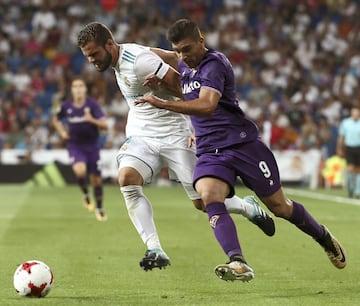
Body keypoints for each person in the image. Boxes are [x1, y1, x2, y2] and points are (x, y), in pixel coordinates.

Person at [136, 19, 347, 281]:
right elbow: (160, 54)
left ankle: (323, 236)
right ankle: (237, 262)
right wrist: (127, 53)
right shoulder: (183, 62)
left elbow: (207, 105)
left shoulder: (215, 64)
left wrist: (161, 102)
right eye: (178, 51)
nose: (182, 56)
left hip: (243, 144)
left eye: (187, 49)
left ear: (201, 41)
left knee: (280, 207)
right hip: (210, 150)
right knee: (208, 196)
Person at [77, 22, 275, 271]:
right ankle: (154, 248)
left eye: (94, 54)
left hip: (175, 135)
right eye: (88, 57)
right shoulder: (123, 57)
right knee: (127, 179)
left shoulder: (139, 61)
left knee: (203, 202)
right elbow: (166, 55)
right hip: (142, 135)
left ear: (109, 44)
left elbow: (187, 89)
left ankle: (246, 207)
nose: (92, 60)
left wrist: (196, 126)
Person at [52, 77, 108, 221]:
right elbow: (56, 119)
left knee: (96, 180)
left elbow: (105, 125)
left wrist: (91, 120)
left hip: (92, 146)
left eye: (80, 86)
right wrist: (62, 132)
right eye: (75, 86)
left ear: (85, 89)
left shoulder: (93, 105)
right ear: (72, 90)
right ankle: (85, 194)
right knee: (80, 170)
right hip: (75, 146)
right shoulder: (66, 106)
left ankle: (100, 208)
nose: (78, 89)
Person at [336, 105, 360, 197]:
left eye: (357, 112)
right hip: (349, 147)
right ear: (351, 113)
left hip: (359, 147)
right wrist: (339, 148)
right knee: (350, 169)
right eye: (354, 112)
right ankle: (350, 188)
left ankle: (358, 191)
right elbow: (341, 136)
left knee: (358, 169)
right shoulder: (345, 123)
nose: (355, 114)